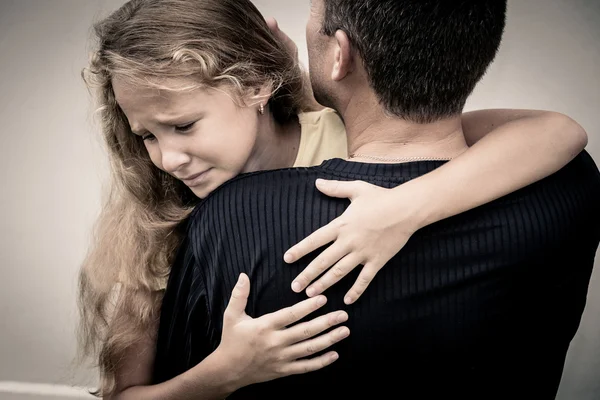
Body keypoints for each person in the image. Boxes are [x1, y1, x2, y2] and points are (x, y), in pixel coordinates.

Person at [77, 0, 590, 398]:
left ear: (255, 85)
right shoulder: (154, 217)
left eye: (183, 126)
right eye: (146, 135)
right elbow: (125, 395)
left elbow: (558, 131)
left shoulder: (343, 134)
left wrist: (406, 208)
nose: (166, 159)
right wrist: (222, 375)